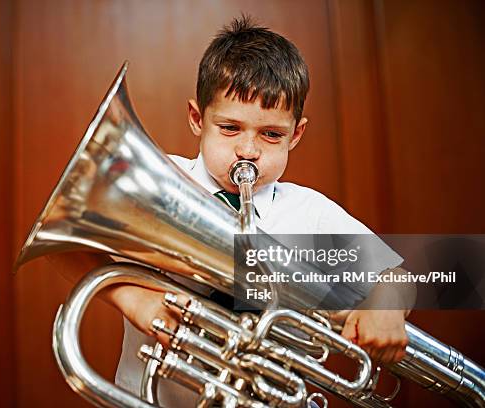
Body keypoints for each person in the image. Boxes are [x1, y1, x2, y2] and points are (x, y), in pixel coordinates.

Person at [55, 15, 412, 406]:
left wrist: (387, 308)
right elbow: (65, 241)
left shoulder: (309, 211)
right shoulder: (157, 180)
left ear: (297, 135)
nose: (248, 150)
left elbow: (397, 274)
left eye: (271, 135)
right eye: (229, 128)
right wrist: (135, 301)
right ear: (197, 119)